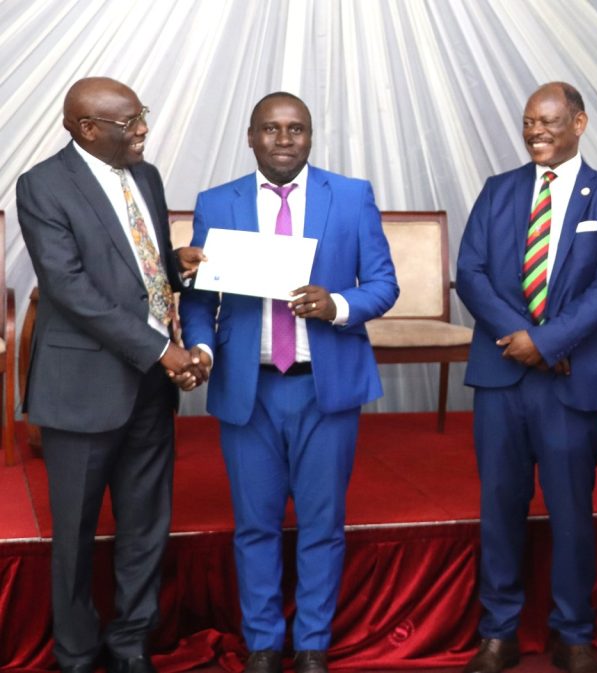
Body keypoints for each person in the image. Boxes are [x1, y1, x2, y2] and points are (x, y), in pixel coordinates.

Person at [177, 92, 398, 673]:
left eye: (296, 129)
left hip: (324, 387)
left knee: (323, 525)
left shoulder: (350, 197)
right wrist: (199, 346)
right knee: (255, 524)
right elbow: (198, 298)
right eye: (271, 129)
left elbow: (383, 283)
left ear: (310, 136)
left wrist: (339, 305)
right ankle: (263, 646)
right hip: (247, 390)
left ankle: (312, 648)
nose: (283, 139)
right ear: (250, 137)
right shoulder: (216, 202)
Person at [16, 77, 204, 673]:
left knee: (146, 526)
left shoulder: (144, 175)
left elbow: (138, 263)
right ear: (87, 128)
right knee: (72, 537)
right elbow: (71, 288)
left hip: (150, 387)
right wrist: (159, 351)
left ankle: (130, 649)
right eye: (131, 121)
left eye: (141, 114)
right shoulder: (43, 185)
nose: (144, 128)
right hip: (83, 389)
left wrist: (179, 267)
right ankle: (74, 655)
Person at [456, 82, 597, 673]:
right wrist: (525, 340)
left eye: (550, 121)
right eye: (529, 120)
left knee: (571, 512)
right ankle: (499, 632)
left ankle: (573, 632)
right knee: (500, 508)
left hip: (570, 380)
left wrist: (550, 340)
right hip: (502, 377)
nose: (536, 131)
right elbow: (471, 272)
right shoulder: (497, 190)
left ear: (580, 123)